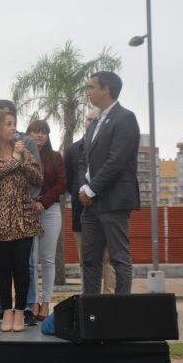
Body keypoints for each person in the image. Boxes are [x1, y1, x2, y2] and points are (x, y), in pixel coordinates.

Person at [0, 110, 42, 332]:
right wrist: (15, 159)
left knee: (22, 267)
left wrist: (23, 160)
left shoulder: (22, 151)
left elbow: (37, 178)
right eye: (8, 124)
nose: (14, 128)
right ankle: (6, 310)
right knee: (3, 267)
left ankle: (21, 311)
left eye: (14, 124)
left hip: (24, 218)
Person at [78, 71, 140, 295]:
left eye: (92, 87)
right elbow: (84, 160)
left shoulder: (125, 118)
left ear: (106, 89)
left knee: (118, 258)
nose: (89, 91)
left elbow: (117, 161)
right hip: (91, 205)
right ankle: (92, 312)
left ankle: (121, 313)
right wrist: (83, 187)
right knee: (90, 260)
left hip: (114, 201)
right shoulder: (95, 122)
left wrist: (92, 189)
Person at [64, 108, 116, 294]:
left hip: (108, 211)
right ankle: (89, 299)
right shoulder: (71, 150)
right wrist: (82, 196)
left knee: (109, 259)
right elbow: (68, 181)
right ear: (84, 122)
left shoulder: (112, 148)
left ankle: (110, 297)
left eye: (96, 119)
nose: (91, 122)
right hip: (81, 213)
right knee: (85, 260)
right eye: (88, 119)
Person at [26, 119, 66, 319]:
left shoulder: (56, 157)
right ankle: (33, 301)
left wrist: (43, 202)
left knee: (48, 259)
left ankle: (46, 302)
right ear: (29, 134)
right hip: (27, 211)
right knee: (31, 260)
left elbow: (61, 184)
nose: (40, 135)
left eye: (44, 132)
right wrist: (33, 203)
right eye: (36, 131)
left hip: (50, 210)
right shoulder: (22, 155)